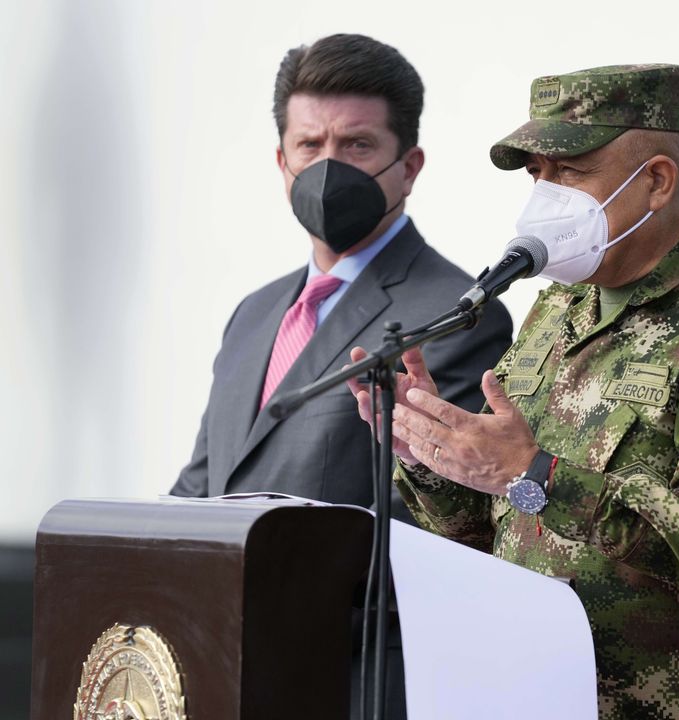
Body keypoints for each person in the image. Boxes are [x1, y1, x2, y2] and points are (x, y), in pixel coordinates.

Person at [350, 64, 679, 719]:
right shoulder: (559, 308)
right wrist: (432, 456)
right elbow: (496, 527)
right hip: (545, 700)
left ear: (657, 180)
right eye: (537, 176)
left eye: (571, 172)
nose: (546, 196)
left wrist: (535, 473)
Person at [169, 33, 513, 719]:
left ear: (409, 165)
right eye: (310, 146)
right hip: (221, 672)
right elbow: (206, 484)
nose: (330, 167)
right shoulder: (255, 313)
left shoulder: (453, 314)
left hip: (347, 682)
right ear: (281, 160)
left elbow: (430, 522)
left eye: (357, 146)